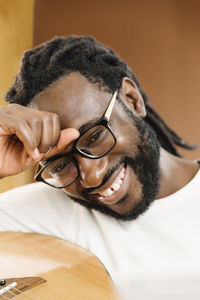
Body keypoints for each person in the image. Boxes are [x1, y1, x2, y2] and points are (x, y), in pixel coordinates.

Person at [0, 36, 199, 300]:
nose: (91, 177)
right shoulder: (50, 211)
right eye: (60, 164)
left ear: (132, 99)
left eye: (94, 137)